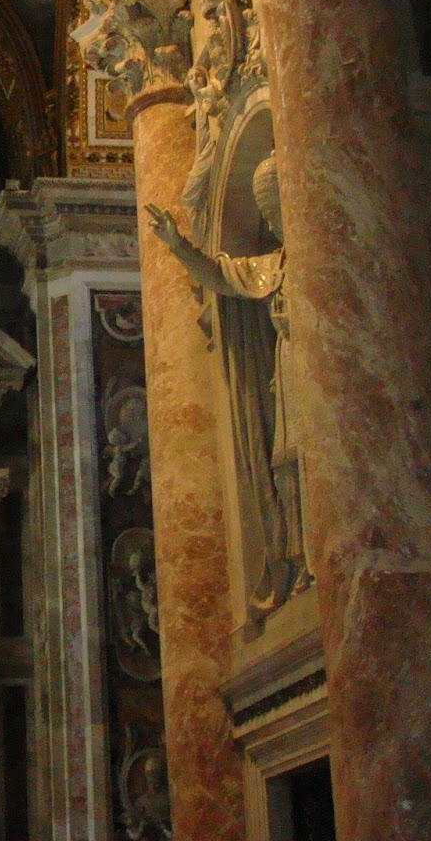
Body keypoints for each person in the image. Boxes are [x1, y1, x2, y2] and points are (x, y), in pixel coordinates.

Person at [145, 154, 310, 613]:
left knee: (315, 460)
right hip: (289, 366)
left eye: (276, 210)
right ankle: (302, 562)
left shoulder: (323, 255)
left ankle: (324, 557)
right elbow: (219, 275)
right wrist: (178, 244)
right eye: (268, 214)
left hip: (316, 369)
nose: (272, 223)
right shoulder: (274, 265)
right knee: (289, 465)